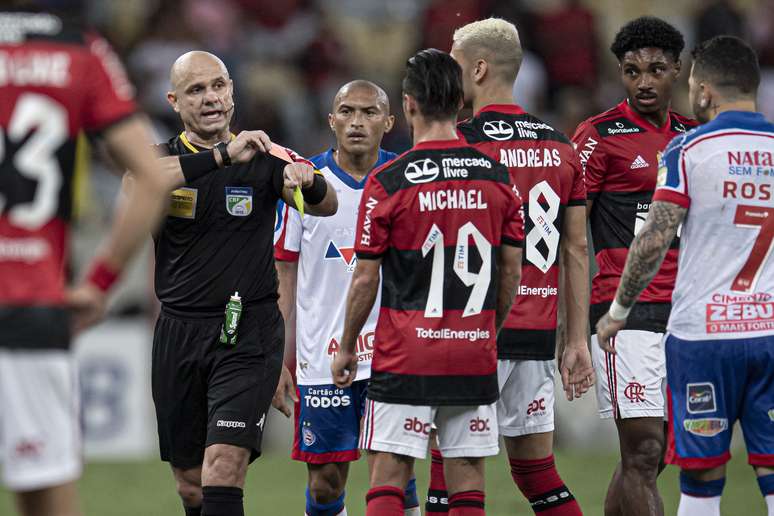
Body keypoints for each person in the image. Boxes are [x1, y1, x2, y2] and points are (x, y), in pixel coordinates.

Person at [0, 6, 241, 516]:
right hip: (28, 303)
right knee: (42, 489)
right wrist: (99, 283)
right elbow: (150, 177)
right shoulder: (77, 49)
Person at [131, 51, 338, 516]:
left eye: (219, 86)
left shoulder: (264, 155)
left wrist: (307, 178)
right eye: (196, 90)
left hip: (247, 332)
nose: (211, 99)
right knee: (190, 486)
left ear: (232, 92)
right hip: (179, 333)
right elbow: (136, 185)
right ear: (174, 101)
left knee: (223, 466)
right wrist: (221, 156)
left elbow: (325, 204)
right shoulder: (161, 160)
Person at [331, 48, 525, 516]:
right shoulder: (499, 179)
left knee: (389, 473)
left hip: (406, 352)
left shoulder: (389, 181)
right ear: (461, 104)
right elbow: (512, 273)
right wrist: (487, 330)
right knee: (467, 480)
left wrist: (347, 344)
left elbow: (365, 278)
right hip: (472, 350)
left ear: (409, 105)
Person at [414, 18, 592, 516]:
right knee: (538, 474)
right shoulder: (560, 145)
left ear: (479, 67)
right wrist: (575, 339)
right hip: (536, 332)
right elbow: (576, 249)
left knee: (449, 473)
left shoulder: (458, 143)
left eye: (453, 58)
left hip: (473, 330)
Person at [596, 35, 774, 516]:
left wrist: (616, 312)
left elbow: (653, 237)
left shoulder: (688, 149)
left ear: (702, 90)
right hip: (770, 332)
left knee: (700, 481)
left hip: (704, 335)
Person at [272, 80, 419, 515]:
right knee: (324, 485)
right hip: (322, 356)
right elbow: (284, 275)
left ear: (389, 121)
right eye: (348, 111)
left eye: (370, 112)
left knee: (395, 474)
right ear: (331, 119)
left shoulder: (406, 179)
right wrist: (278, 358)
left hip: (393, 354)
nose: (357, 122)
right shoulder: (303, 186)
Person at [571, 16, 697, 516]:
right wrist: (574, 329)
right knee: (643, 451)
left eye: (656, 69)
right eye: (631, 71)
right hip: (626, 314)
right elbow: (570, 232)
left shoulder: (693, 137)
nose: (644, 81)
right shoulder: (598, 137)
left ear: (678, 71)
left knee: (657, 455)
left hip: (687, 312)